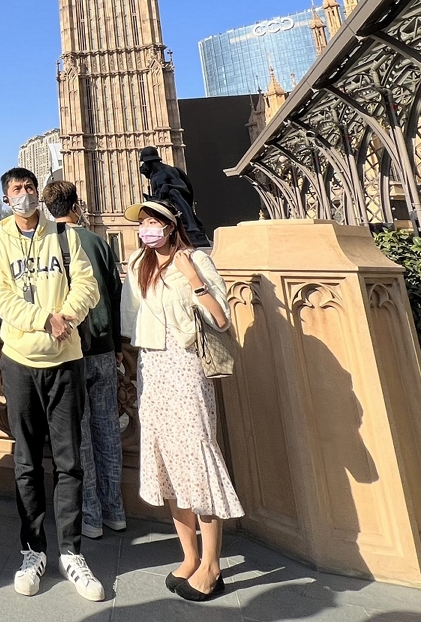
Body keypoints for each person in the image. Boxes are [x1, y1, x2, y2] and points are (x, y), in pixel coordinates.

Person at [0, 167, 103, 602]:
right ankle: (32, 550)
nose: (25, 194)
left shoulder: (66, 237)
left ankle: (71, 552)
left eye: (30, 187)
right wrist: (44, 320)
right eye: (17, 189)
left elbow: (87, 286)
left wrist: (65, 317)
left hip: (66, 361)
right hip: (19, 362)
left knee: (69, 462)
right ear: (6, 198)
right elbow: (3, 300)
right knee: (27, 461)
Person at [119, 199, 242, 603]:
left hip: (186, 367)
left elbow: (221, 318)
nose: (147, 229)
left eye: (155, 222)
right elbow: (130, 320)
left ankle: (212, 565)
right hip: (152, 369)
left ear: (172, 227)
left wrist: (193, 279)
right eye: (143, 223)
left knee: (196, 460)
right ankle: (190, 556)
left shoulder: (195, 260)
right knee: (168, 463)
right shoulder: (138, 264)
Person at [43, 179, 127, 541]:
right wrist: (117, 343)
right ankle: (116, 510)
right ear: (76, 206)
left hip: (68, 350)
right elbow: (116, 293)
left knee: (79, 435)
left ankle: (90, 515)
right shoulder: (97, 242)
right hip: (104, 346)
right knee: (107, 427)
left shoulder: (44, 245)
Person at [138, 146, 210, 249]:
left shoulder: (168, 170)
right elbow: (158, 196)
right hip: (165, 206)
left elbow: (184, 188)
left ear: (149, 162)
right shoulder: (154, 177)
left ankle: (192, 225)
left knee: (173, 192)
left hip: (175, 202)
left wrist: (168, 186)